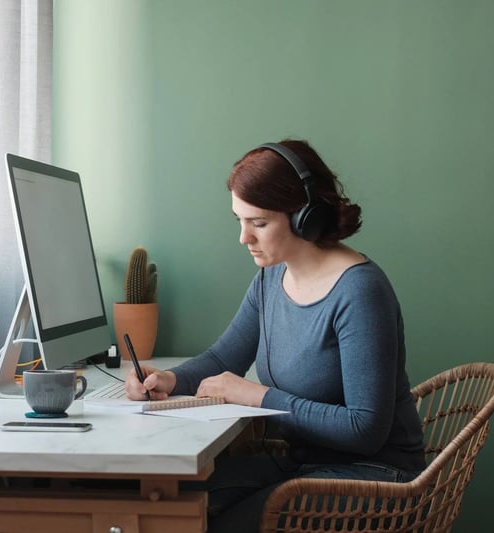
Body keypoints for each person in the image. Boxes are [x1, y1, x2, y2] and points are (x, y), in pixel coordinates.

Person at [125, 139, 426, 533]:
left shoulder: (359, 291)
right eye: (240, 221)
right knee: (174, 504)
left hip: (377, 477)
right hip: (306, 463)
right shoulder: (270, 278)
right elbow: (222, 359)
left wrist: (259, 396)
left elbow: (364, 429)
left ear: (306, 217)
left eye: (259, 223)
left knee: (211, 523)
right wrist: (169, 379)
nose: (244, 238)